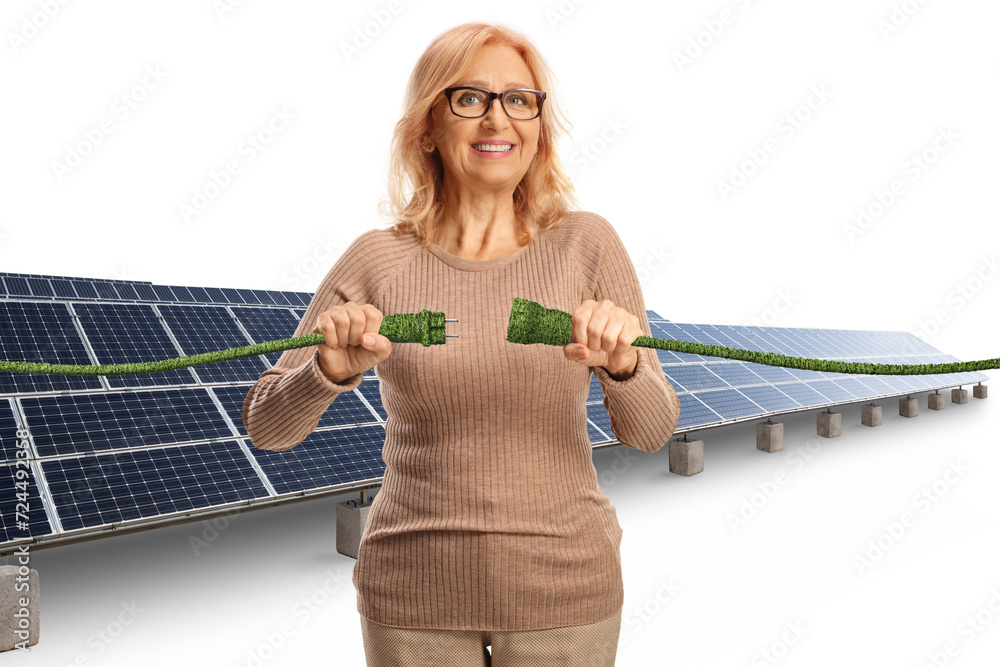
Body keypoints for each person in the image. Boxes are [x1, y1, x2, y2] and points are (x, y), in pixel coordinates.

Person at [243, 21, 680, 667]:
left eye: (519, 99)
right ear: (427, 126)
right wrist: (325, 372)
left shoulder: (587, 244)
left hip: (564, 592)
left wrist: (624, 364)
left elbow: (653, 432)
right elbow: (267, 425)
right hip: (411, 598)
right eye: (469, 97)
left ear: (538, 124)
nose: (497, 118)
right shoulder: (377, 260)